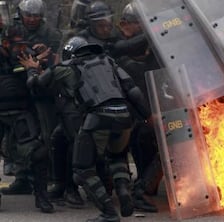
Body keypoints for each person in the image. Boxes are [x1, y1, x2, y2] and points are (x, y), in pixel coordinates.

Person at [19, 36, 151, 222]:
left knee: (82, 169)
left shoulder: (64, 68)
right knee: (117, 156)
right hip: (124, 116)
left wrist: (32, 69)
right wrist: (148, 117)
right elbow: (132, 90)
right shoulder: (108, 61)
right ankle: (122, 189)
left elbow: (35, 84)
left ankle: (109, 212)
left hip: (98, 118)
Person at [1, 0, 62, 196]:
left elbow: (55, 61)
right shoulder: (12, 29)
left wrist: (41, 56)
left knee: (45, 135)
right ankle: (22, 178)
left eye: (36, 15)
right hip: (17, 90)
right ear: (21, 14)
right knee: (18, 136)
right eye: (29, 15)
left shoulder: (51, 34)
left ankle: (53, 181)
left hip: (41, 90)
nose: (32, 19)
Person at [116, 3, 162, 213]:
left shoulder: (152, 45)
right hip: (128, 109)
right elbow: (127, 57)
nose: (141, 27)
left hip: (149, 106)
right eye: (137, 23)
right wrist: (154, 33)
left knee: (150, 143)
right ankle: (135, 189)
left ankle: (145, 186)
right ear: (124, 24)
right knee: (136, 143)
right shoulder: (118, 43)